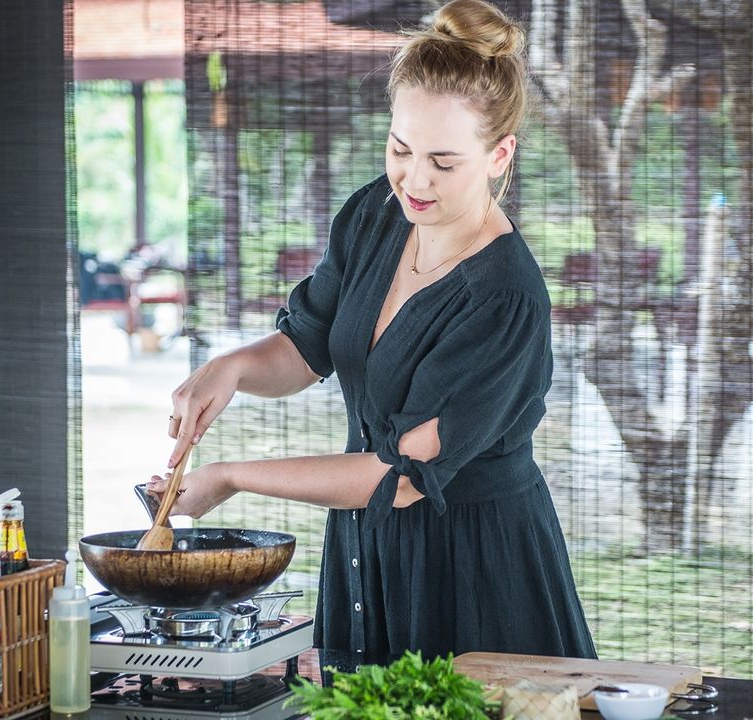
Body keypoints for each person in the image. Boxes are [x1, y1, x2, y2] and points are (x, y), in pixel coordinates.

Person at [148, 0, 596, 673]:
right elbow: (308, 347)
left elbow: (403, 476)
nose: (415, 180)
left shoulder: (503, 298)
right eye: (400, 149)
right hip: (366, 550)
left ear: (500, 155)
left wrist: (232, 477)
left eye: (444, 162)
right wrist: (232, 368)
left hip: (473, 570)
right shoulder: (375, 216)